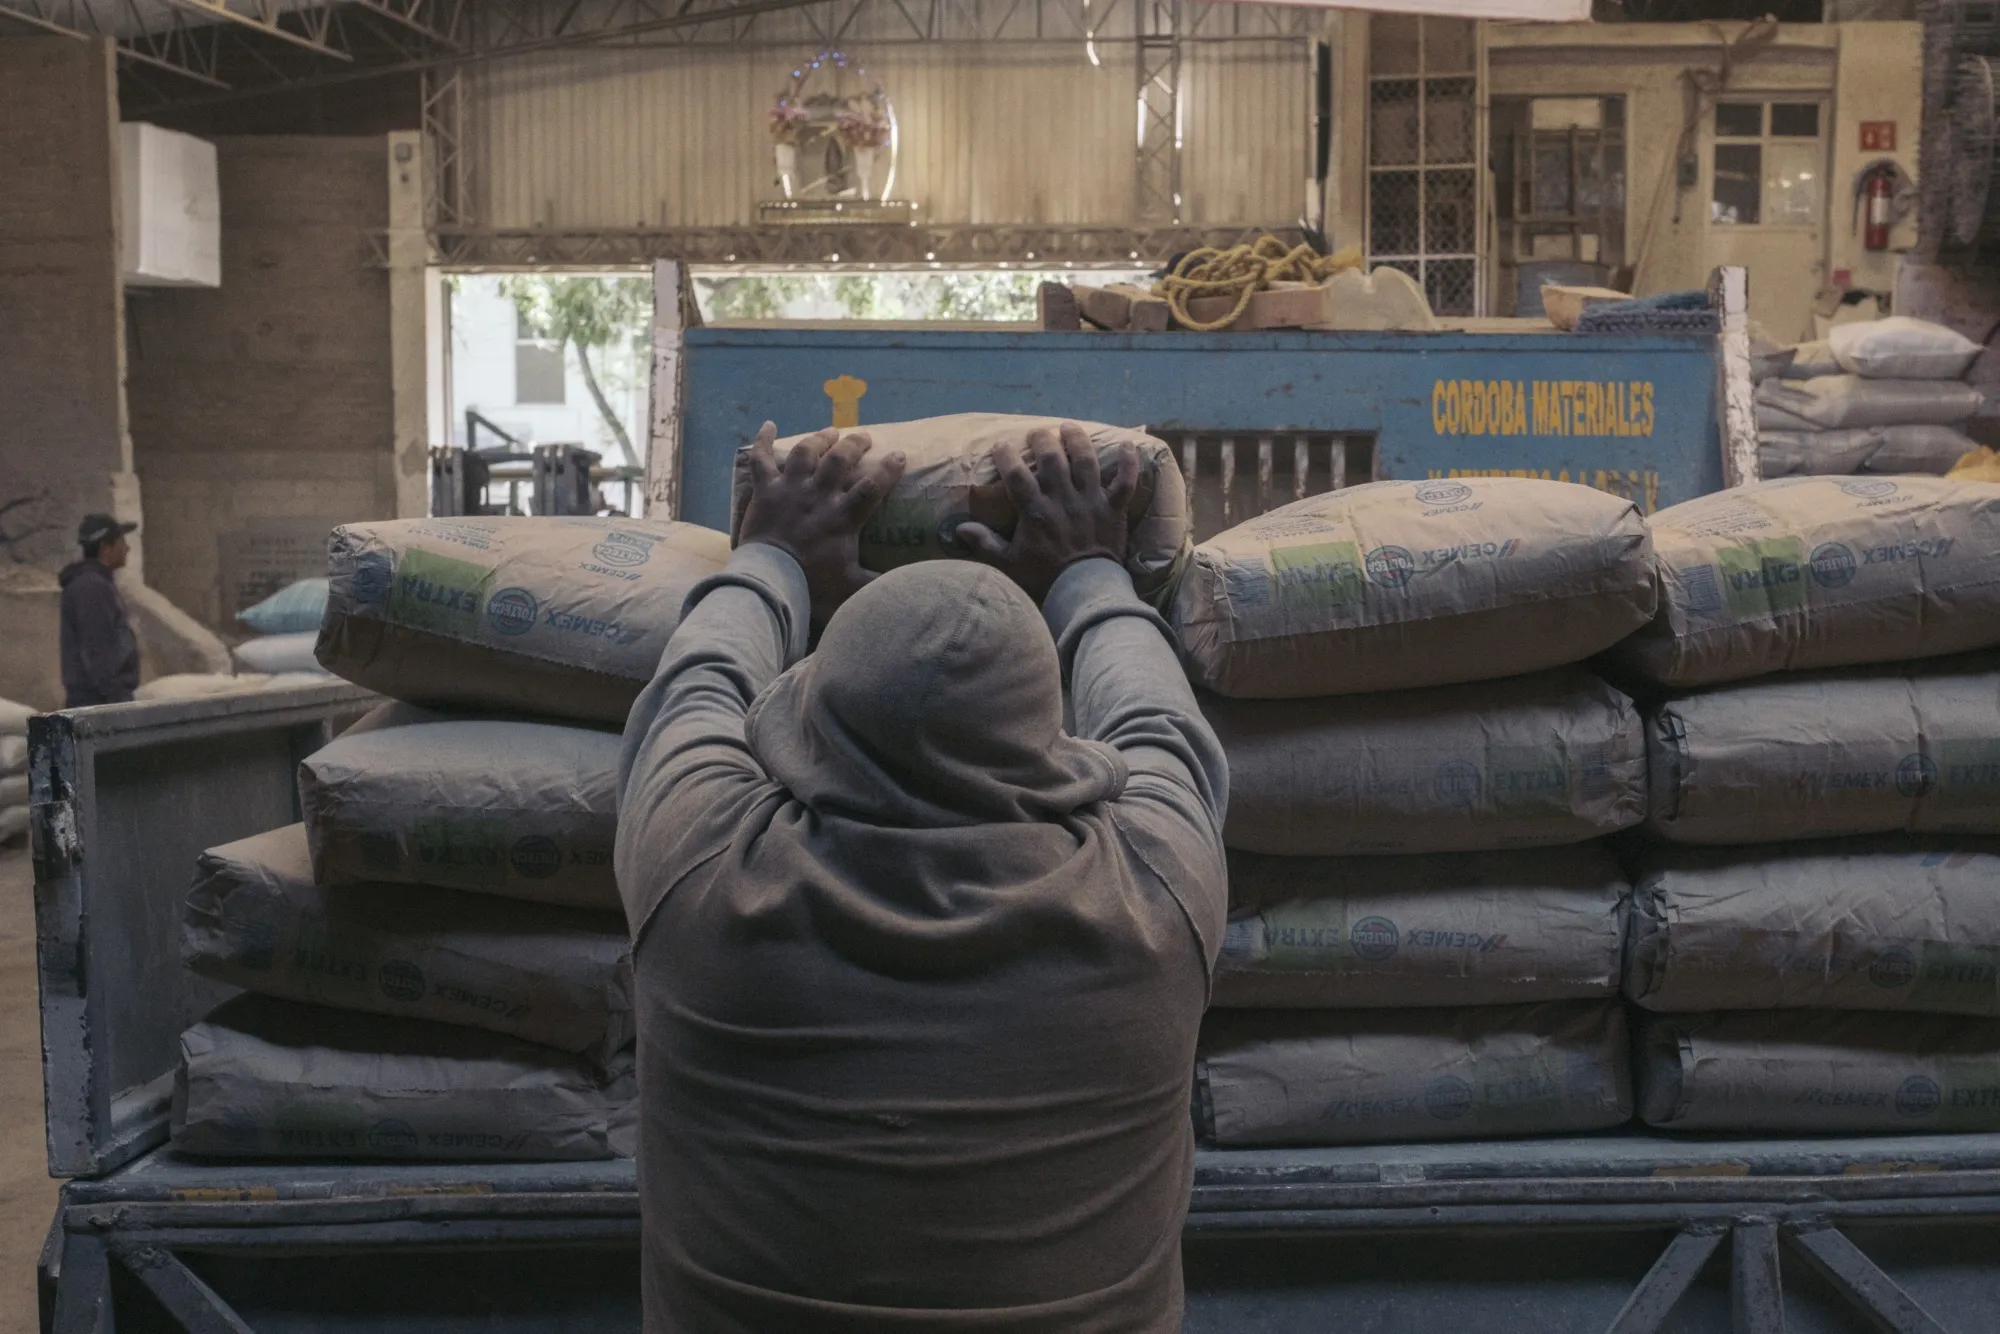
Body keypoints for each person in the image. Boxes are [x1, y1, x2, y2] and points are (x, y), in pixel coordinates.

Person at [615, 421, 1228, 1332]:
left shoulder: (704, 875)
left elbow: (696, 683)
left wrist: (774, 554)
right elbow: (1160, 725)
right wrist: (1088, 570)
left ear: (805, 725)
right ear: (1053, 742)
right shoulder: (1151, 897)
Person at [59, 514, 141, 708]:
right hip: (98, 704)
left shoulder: (95, 584)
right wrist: (115, 701)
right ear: (106, 548)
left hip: (100, 701)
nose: (127, 549)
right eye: (122, 542)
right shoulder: (92, 587)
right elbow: (97, 651)